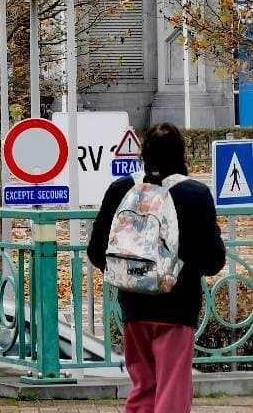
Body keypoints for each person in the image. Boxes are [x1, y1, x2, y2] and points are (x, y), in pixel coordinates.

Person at [87, 122, 225, 413]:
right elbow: (214, 260)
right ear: (181, 155)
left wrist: (133, 275)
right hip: (177, 305)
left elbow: (97, 252)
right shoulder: (195, 194)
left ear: (144, 154)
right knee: (172, 389)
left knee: (144, 386)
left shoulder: (122, 189)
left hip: (133, 305)